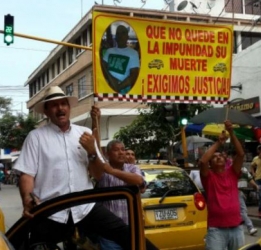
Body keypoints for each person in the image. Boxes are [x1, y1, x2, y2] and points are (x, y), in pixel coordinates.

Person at [13, 86, 131, 249]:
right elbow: (27, 174)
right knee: (36, 245)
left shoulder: (85, 133)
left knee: (128, 235)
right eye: (54, 105)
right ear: (46, 111)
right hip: (51, 211)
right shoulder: (36, 137)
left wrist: (92, 152)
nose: (60, 108)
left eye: (63, 104)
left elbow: (97, 175)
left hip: (85, 207)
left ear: (69, 108)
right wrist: (27, 198)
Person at [91, 107, 156, 250]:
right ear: (107, 154)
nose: (121, 152)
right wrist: (96, 122)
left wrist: (112, 171)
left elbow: (139, 181)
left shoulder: (132, 168)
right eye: (116, 150)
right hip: (109, 234)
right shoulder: (102, 171)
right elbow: (94, 150)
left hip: (131, 230)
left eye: (123, 149)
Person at [199, 120, 245, 250]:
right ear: (211, 163)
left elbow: (241, 154)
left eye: (220, 156)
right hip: (216, 230)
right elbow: (203, 162)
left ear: (226, 160)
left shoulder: (232, 173)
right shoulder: (209, 177)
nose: (218, 157)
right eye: (214, 157)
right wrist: (219, 142)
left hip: (236, 227)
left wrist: (231, 132)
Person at [101, 24, 140, 94]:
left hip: (124, 92)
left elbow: (134, 75)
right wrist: (112, 82)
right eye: (118, 33)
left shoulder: (133, 53)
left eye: (123, 33)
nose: (120, 36)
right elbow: (102, 69)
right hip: (107, 89)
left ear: (127, 37)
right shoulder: (109, 51)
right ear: (115, 37)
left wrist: (118, 87)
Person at [238, 165, 259, 236]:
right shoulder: (230, 168)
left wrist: (255, 186)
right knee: (243, 210)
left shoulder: (243, 169)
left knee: (240, 211)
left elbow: (249, 179)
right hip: (235, 192)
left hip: (241, 192)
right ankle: (250, 227)